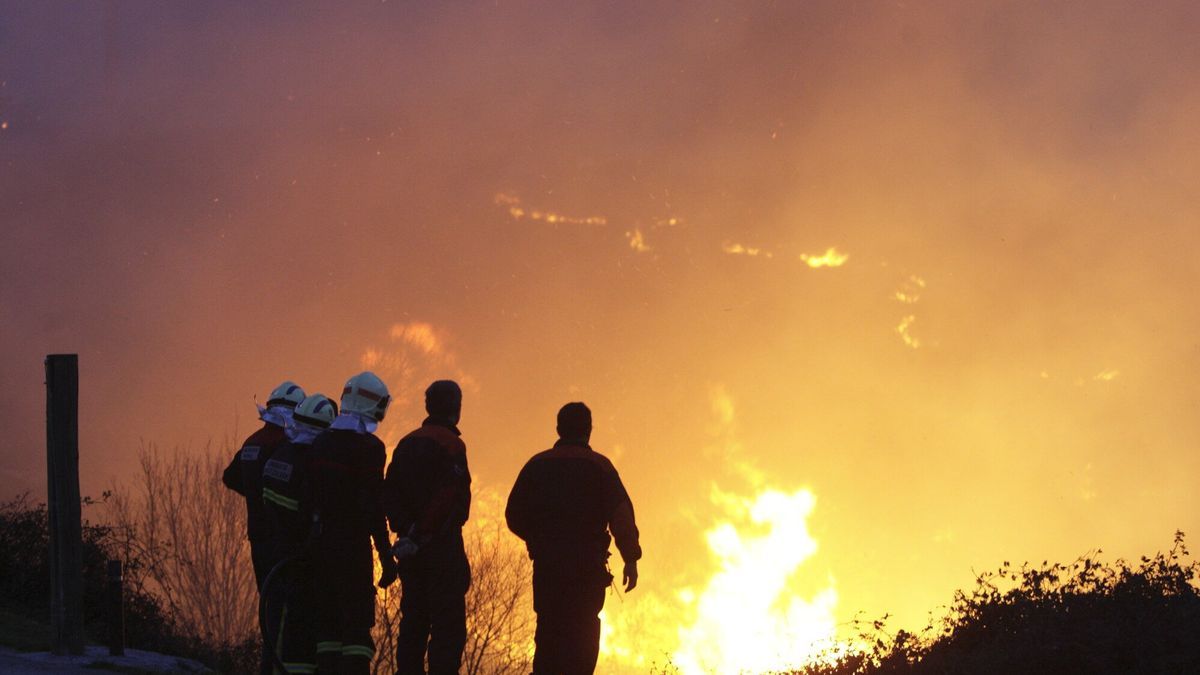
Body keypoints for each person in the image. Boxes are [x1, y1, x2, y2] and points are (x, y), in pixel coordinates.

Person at [505, 402, 641, 675]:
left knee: (549, 635)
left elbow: (513, 514)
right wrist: (630, 558)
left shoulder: (537, 465)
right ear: (589, 430)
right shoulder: (600, 467)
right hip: (586, 571)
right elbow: (621, 516)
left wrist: (537, 540)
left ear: (558, 428)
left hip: (548, 568)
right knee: (583, 638)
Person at [308, 371, 397, 675]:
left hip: (318, 548)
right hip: (352, 552)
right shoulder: (370, 448)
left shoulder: (321, 442)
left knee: (328, 632)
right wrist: (386, 557)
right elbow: (373, 508)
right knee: (356, 634)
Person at [383, 380, 472, 675]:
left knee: (413, 620)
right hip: (442, 549)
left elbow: (389, 491)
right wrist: (424, 532)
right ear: (455, 409)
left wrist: (406, 530)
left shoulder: (406, 444)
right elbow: (454, 497)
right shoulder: (452, 445)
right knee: (448, 628)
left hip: (409, 551)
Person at [222, 380, 305, 675]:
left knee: (269, 605)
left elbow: (230, 477)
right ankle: (273, 669)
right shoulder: (284, 444)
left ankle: (268, 667)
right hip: (283, 540)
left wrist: (254, 494)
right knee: (284, 611)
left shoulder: (253, 441)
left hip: (258, 539)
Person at [260, 393, 338, 675]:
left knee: (283, 637)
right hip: (300, 565)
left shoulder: (281, 454)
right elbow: (312, 514)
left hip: (279, 556)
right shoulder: (310, 464)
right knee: (296, 639)